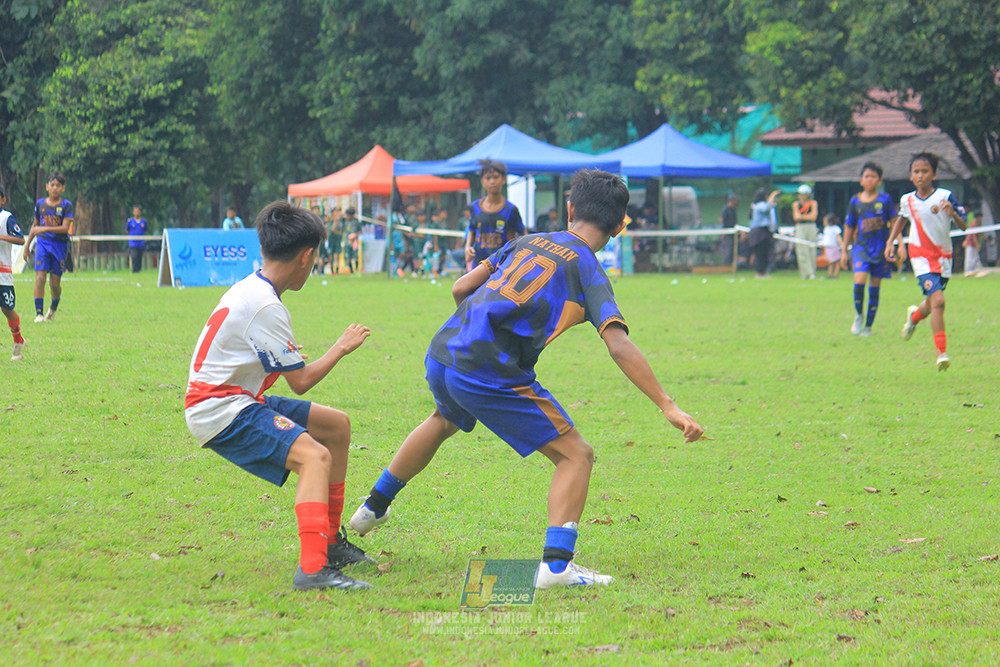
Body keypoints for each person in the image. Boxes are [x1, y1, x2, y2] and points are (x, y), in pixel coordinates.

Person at [348, 169, 703, 589]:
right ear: (618, 228)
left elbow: (462, 287)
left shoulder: (525, 240)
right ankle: (556, 567)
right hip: (485, 367)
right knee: (577, 456)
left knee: (443, 420)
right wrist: (667, 404)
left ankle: (372, 507)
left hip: (444, 350)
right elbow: (619, 344)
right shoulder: (588, 269)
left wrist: (480, 326)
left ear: (570, 209)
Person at [184, 201, 375, 590]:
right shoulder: (266, 304)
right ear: (306, 256)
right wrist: (340, 347)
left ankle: (331, 540)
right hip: (220, 407)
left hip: (236, 397)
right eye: (316, 256)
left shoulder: (253, 287)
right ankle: (312, 570)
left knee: (336, 427)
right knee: (315, 457)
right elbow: (301, 381)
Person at [886, 152, 967, 371]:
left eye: (925, 171)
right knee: (939, 301)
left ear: (934, 174)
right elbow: (901, 220)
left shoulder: (946, 196)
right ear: (911, 176)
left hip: (943, 257)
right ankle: (942, 353)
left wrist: (954, 215)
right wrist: (891, 242)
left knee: (932, 303)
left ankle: (913, 317)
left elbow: (964, 226)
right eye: (916, 172)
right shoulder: (908, 200)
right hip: (920, 256)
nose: (920, 175)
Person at [841, 162, 897, 337]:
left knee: (875, 287)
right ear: (861, 180)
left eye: (873, 176)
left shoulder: (885, 199)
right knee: (859, 281)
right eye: (866, 176)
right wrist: (844, 250)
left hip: (880, 249)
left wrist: (898, 244)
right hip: (861, 248)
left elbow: (895, 222)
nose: (870, 179)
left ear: (879, 180)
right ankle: (859, 315)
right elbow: (849, 226)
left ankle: (868, 326)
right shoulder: (855, 201)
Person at [23, 170, 73, 323]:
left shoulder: (66, 205)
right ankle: (39, 313)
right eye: (52, 185)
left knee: (55, 282)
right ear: (47, 187)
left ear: (63, 188)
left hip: (59, 245)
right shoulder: (40, 204)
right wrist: (27, 245)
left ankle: (53, 308)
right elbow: (35, 225)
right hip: (43, 244)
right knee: (40, 277)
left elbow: (65, 228)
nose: (55, 188)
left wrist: (44, 229)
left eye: (58, 185)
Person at [464, 159, 525, 266]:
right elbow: (472, 229)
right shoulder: (475, 207)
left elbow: (523, 234)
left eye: (496, 177)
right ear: (482, 181)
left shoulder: (510, 210)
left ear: (503, 180)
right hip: (479, 265)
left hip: (502, 265)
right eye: (488, 178)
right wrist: (468, 247)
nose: (492, 181)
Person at [0, 186, 26, 360]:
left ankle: (18, 339)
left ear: (2, 199)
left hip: (3, 273)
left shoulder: (6, 218)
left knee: (7, 309)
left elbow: (20, 238)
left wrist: (1, 237)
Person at [747, 188, 780, 278]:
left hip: (760, 231)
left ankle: (763, 272)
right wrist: (772, 196)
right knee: (761, 253)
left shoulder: (754, 206)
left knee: (764, 253)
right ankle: (760, 272)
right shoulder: (760, 205)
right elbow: (766, 208)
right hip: (760, 232)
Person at [792, 184, 818, 279]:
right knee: (801, 250)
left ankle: (812, 272)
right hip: (800, 227)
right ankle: (805, 272)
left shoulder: (813, 203)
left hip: (811, 226)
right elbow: (796, 217)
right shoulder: (796, 204)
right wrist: (806, 217)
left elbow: (813, 216)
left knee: (812, 248)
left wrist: (802, 217)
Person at [819, 214, 843, 279]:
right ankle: (830, 274)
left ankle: (835, 275)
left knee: (837, 261)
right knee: (830, 262)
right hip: (828, 247)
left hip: (835, 247)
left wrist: (842, 244)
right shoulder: (826, 229)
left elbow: (838, 237)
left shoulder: (836, 228)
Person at [719, 193, 740, 266]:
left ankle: (730, 265)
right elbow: (722, 220)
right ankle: (725, 265)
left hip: (732, 233)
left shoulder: (733, 209)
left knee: (731, 250)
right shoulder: (726, 209)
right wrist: (723, 232)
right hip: (727, 233)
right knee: (727, 250)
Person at [126, 206, 148, 273]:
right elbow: (127, 230)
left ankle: (138, 270)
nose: (136, 212)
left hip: (141, 243)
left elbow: (146, 231)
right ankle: (134, 270)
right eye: (135, 211)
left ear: (140, 212)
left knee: (139, 257)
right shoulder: (130, 221)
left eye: (138, 211)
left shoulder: (143, 222)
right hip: (133, 242)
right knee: (134, 256)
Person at [341, 208, 362, 274]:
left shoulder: (356, 222)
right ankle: (351, 271)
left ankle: (356, 270)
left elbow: (360, 231)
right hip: (346, 242)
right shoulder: (344, 222)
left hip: (354, 243)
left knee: (355, 257)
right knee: (348, 258)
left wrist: (355, 235)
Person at [963, 212, 982, 276]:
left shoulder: (977, 224)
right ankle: (968, 271)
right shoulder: (974, 224)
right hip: (971, 243)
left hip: (972, 243)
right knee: (970, 257)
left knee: (975, 257)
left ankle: (977, 269)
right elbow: (973, 236)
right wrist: (977, 244)